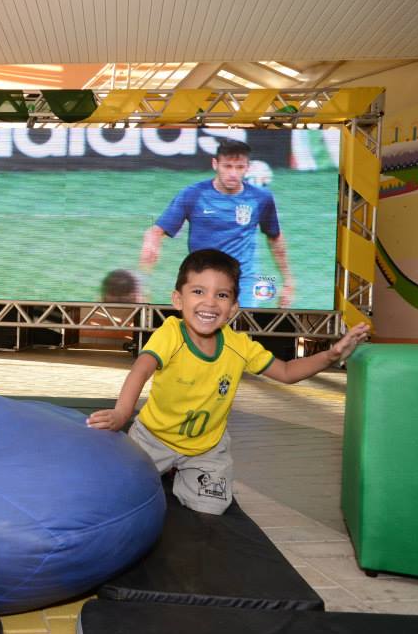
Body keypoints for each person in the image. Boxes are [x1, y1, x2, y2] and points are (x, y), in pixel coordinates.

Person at [86, 249, 369, 515]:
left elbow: (286, 372)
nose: (210, 302)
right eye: (198, 291)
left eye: (221, 295)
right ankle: (164, 469)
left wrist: (331, 355)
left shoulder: (239, 346)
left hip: (207, 447)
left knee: (211, 508)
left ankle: (183, 473)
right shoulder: (170, 333)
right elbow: (140, 370)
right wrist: (122, 413)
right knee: (119, 492)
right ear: (177, 299)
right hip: (154, 438)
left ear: (233, 307)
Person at [139, 139, 295, 308]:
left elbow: (275, 238)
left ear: (247, 168)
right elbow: (156, 231)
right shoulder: (193, 194)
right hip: (201, 277)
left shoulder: (261, 197)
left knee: (242, 328)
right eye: (227, 166)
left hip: (242, 279)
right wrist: (151, 242)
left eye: (239, 167)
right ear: (215, 164)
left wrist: (287, 280)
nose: (233, 174)